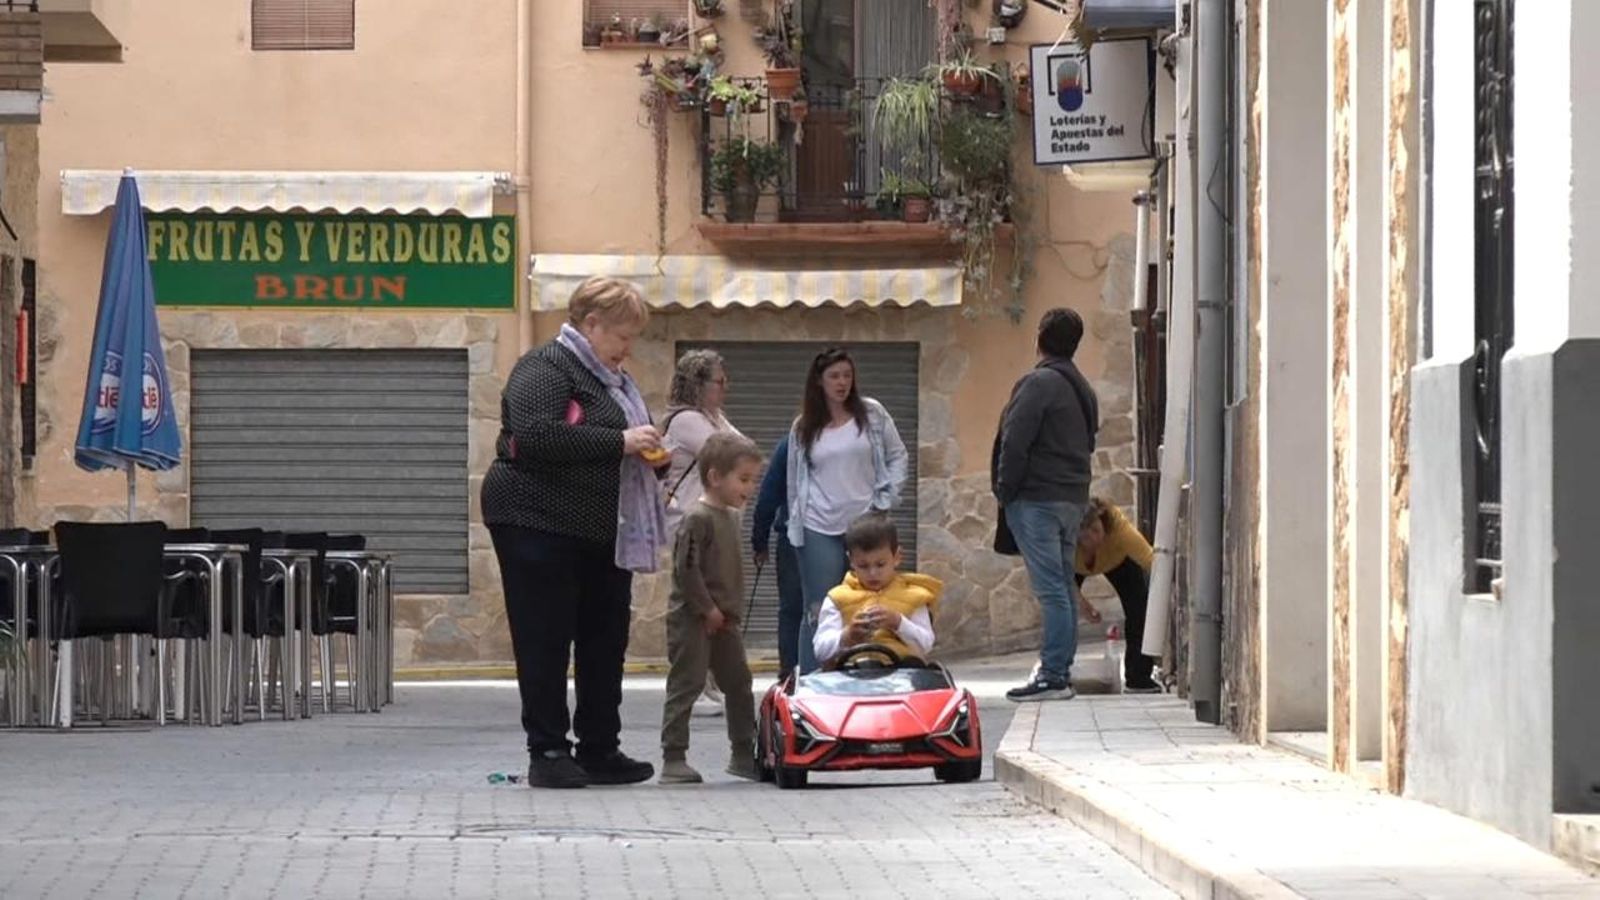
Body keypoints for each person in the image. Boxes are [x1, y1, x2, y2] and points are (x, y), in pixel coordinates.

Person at [482, 275, 670, 789]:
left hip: (603, 528)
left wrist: (649, 455)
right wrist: (620, 442)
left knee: (604, 638)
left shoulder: (615, 383)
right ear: (590, 324)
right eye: (622, 336)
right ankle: (546, 750)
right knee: (545, 637)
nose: (628, 348)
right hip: (535, 519)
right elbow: (535, 434)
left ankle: (599, 748)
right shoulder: (544, 367)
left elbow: (618, 441)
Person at [992, 308, 1099, 703]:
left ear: (1039, 337)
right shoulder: (1082, 388)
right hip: (1072, 498)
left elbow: (1015, 440)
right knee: (1063, 588)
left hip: (1037, 498)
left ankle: (1054, 674)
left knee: (1052, 589)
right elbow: (1088, 442)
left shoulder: (1038, 384)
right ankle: (1060, 670)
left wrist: (1005, 490)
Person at [786, 347, 909, 674]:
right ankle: (813, 679)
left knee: (875, 595)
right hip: (818, 527)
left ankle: (870, 670)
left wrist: (887, 498)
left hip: (867, 523)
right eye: (834, 376)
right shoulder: (804, 427)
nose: (842, 383)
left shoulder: (872, 414)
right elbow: (793, 480)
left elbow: (898, 455)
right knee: (821, 607)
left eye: (847, 375)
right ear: (819, 382)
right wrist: (795, 523)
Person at [659, 432, 764, 784]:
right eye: (744, 479)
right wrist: (706, 609)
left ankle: (742, 752)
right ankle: (674, 757)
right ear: (716, 477)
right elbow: (686, 569)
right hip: (695, 619)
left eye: (752, 480)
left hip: (725, 620)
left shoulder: (731, 518)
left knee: (738, 683)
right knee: (686, 683)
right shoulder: (697, 518)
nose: (749, 488)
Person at [660, 348, 742, 718]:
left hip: (715, 522)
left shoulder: (713, 416)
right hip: (690, 522)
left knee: (714, 601)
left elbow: (743, 452)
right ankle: (691, 688)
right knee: (696, 604)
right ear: (698, 384)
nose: (725, 388)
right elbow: (729, 456)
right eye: (719, 382)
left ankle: (707, 685)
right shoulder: (686, 421)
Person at [812, 514, 939, 667]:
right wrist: (847, 635)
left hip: (901, 676)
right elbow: (820, 650)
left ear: (897, 557)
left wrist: (898, 623)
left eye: (880, 565)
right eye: (863, 566)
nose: (873, 573)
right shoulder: (837, 598)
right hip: (850, 677)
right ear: (851, 561)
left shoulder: (914, 596)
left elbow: (926, 644)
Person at [1076, 497, 1162, 693]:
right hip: (1073, 568)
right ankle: (1057, 673)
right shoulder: (1064, 540)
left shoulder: (1118, 528)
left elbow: (1150, 559)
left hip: (1118, 560)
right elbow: (1060, 580)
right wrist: (1083, 605)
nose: (1095, 538)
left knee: (1139, 608)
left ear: (1101, 520)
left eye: (1097, 530)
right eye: (1086, 537)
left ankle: (1138, 676)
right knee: (1060, 608)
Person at [751, 432, 805, 674]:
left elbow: (768, 496)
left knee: (792, 611)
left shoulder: (790, 443)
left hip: (792, 539)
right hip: (836, 539)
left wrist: (759, 543)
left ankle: (789, 677)